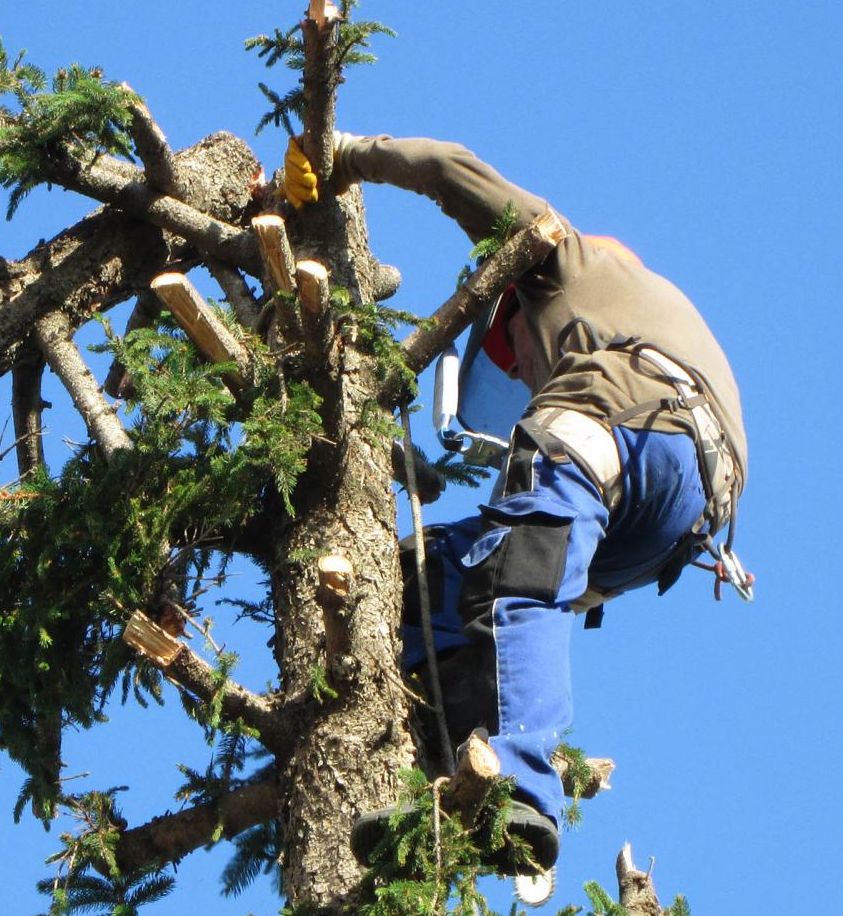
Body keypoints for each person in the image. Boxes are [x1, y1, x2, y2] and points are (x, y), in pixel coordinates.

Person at [283, 134, 750, 871]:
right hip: (676, 515)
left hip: (626, 421)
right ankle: (449, 784)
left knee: (517, 586)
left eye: (516, 360)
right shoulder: (650, 311)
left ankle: (522, 792)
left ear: (512, 310)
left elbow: (448, 169)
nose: (526, 374)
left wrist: (342, 152)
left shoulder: (561, 261)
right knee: (440, 573)